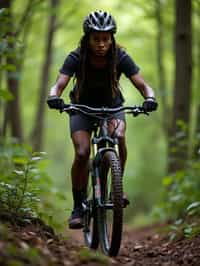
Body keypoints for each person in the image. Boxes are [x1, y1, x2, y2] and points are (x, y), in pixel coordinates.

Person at [47, 10, 158, 229]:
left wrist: (150, 98)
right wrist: (54, 96)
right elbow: (58, 84)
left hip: (112, 108)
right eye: (96, 39)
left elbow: (143, 85)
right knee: (82, 152)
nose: (101, 44)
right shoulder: (76, 57)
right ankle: (78, 206)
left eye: (105, 39)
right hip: (81, 108)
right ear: (87, 38)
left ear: (112, 38)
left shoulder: (120, 56)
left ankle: (116, 188)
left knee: (119, 135)